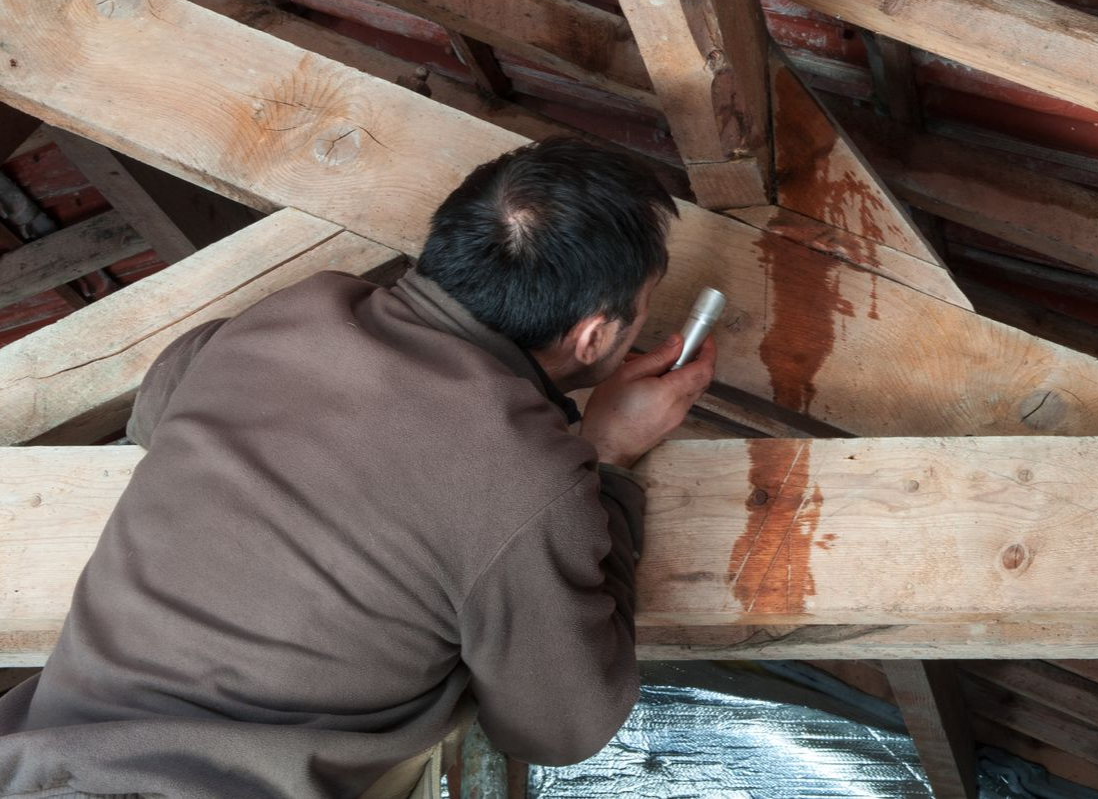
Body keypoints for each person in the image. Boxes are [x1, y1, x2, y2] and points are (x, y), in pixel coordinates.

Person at [0, 137, 716, 799]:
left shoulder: (292, 309)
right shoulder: (528, 478)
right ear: (592, 335)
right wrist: (610, 460)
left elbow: (153, 411)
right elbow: (559, 725)